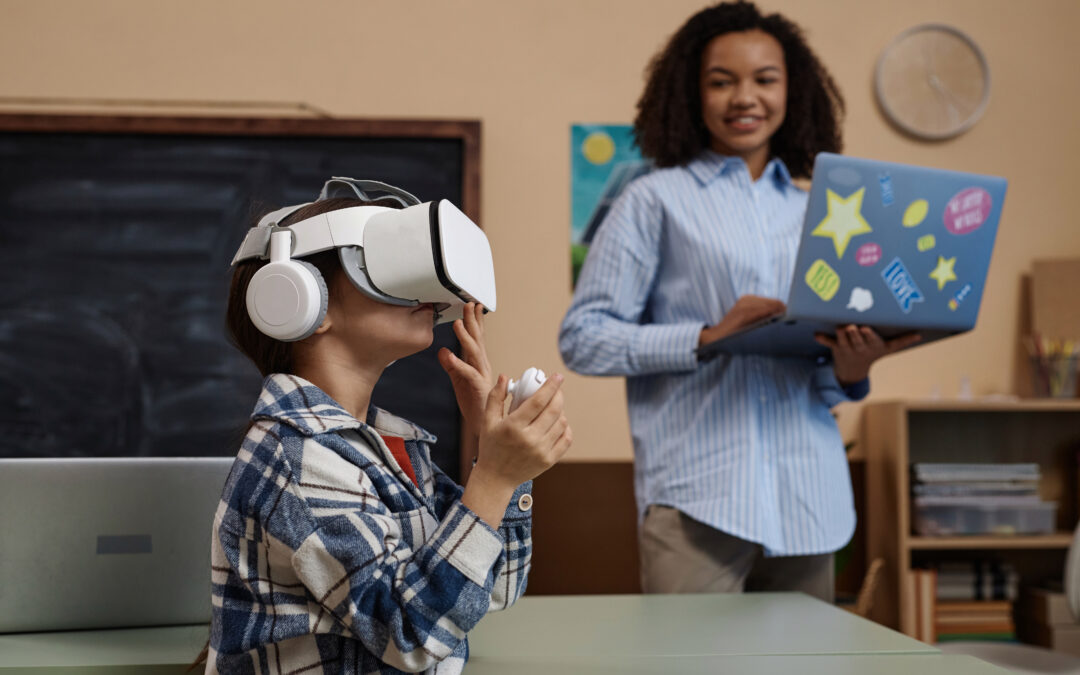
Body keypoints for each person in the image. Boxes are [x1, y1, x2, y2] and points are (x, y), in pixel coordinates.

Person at [559, 1, 918, 601]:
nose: (743, 97)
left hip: (811, 499)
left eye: (764, 80)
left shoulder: (822, 213)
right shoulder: (653, 200)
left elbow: (822, 369)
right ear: (692, 94)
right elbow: (583, 338)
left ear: (792, 92)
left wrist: (851, 372)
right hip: (699, 498)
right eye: (721, 81)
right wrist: (707, 337)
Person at [205, 183, 572, 674]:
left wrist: (496, 452)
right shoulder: (297, 455)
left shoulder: (389, 449)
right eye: (378, 264)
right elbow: (412, 633)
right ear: (300, 298)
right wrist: (496, 479)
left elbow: (494, 585)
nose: (420, 289)